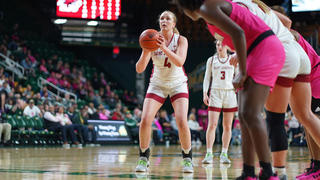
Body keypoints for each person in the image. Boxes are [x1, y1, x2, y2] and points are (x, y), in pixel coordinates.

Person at [175, 0, 286, 179]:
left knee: (251, 113)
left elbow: (238, 33)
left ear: (185, 7)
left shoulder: (207, 7)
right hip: (254, 50)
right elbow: (243, 30)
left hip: (264, 48)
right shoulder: (208, 11)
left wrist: (242, 71)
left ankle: (268, 172)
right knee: (243, 115)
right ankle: (248, 172)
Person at [227, 2, 315, 179]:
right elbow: (288, 23)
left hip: (278, 51)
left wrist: (241, 57)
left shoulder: (234, 6)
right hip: (297, 52)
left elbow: (247, 34)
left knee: (272, 118)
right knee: (306, 116)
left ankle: (275, 171)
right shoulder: (256, 3)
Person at [135, 10, 193, 173]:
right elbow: (140, 69)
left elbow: (180, 61)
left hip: (177, 84)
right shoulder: (151, 38)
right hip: (158, 84)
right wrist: (146, 50)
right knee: (145, 119)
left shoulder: (181, 40)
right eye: (161, 18)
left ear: (173, 24)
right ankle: (143, 158)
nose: (164, 21)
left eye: (168, 19)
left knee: (182, 121)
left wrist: (163, 48)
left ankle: (187, 158)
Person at [290, 30, 320, 180]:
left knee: (313, 121)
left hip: (316, 76)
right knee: (307, 123)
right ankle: (315, 166)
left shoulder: (290, 35)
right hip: (308, 80)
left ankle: (318, 168)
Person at [202, 40, 238, 164]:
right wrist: (205, 92)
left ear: (227, 46)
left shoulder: (233, 59)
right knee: (212, 125)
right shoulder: (211, 60)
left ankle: (224, 153)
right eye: (217, 44)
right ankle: (209, 154)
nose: (220, 47)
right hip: (216, 93)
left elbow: (238, 76)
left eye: (222, 44)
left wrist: (238, 90)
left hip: (230, 93)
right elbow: (207, 78)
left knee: (227, 126)